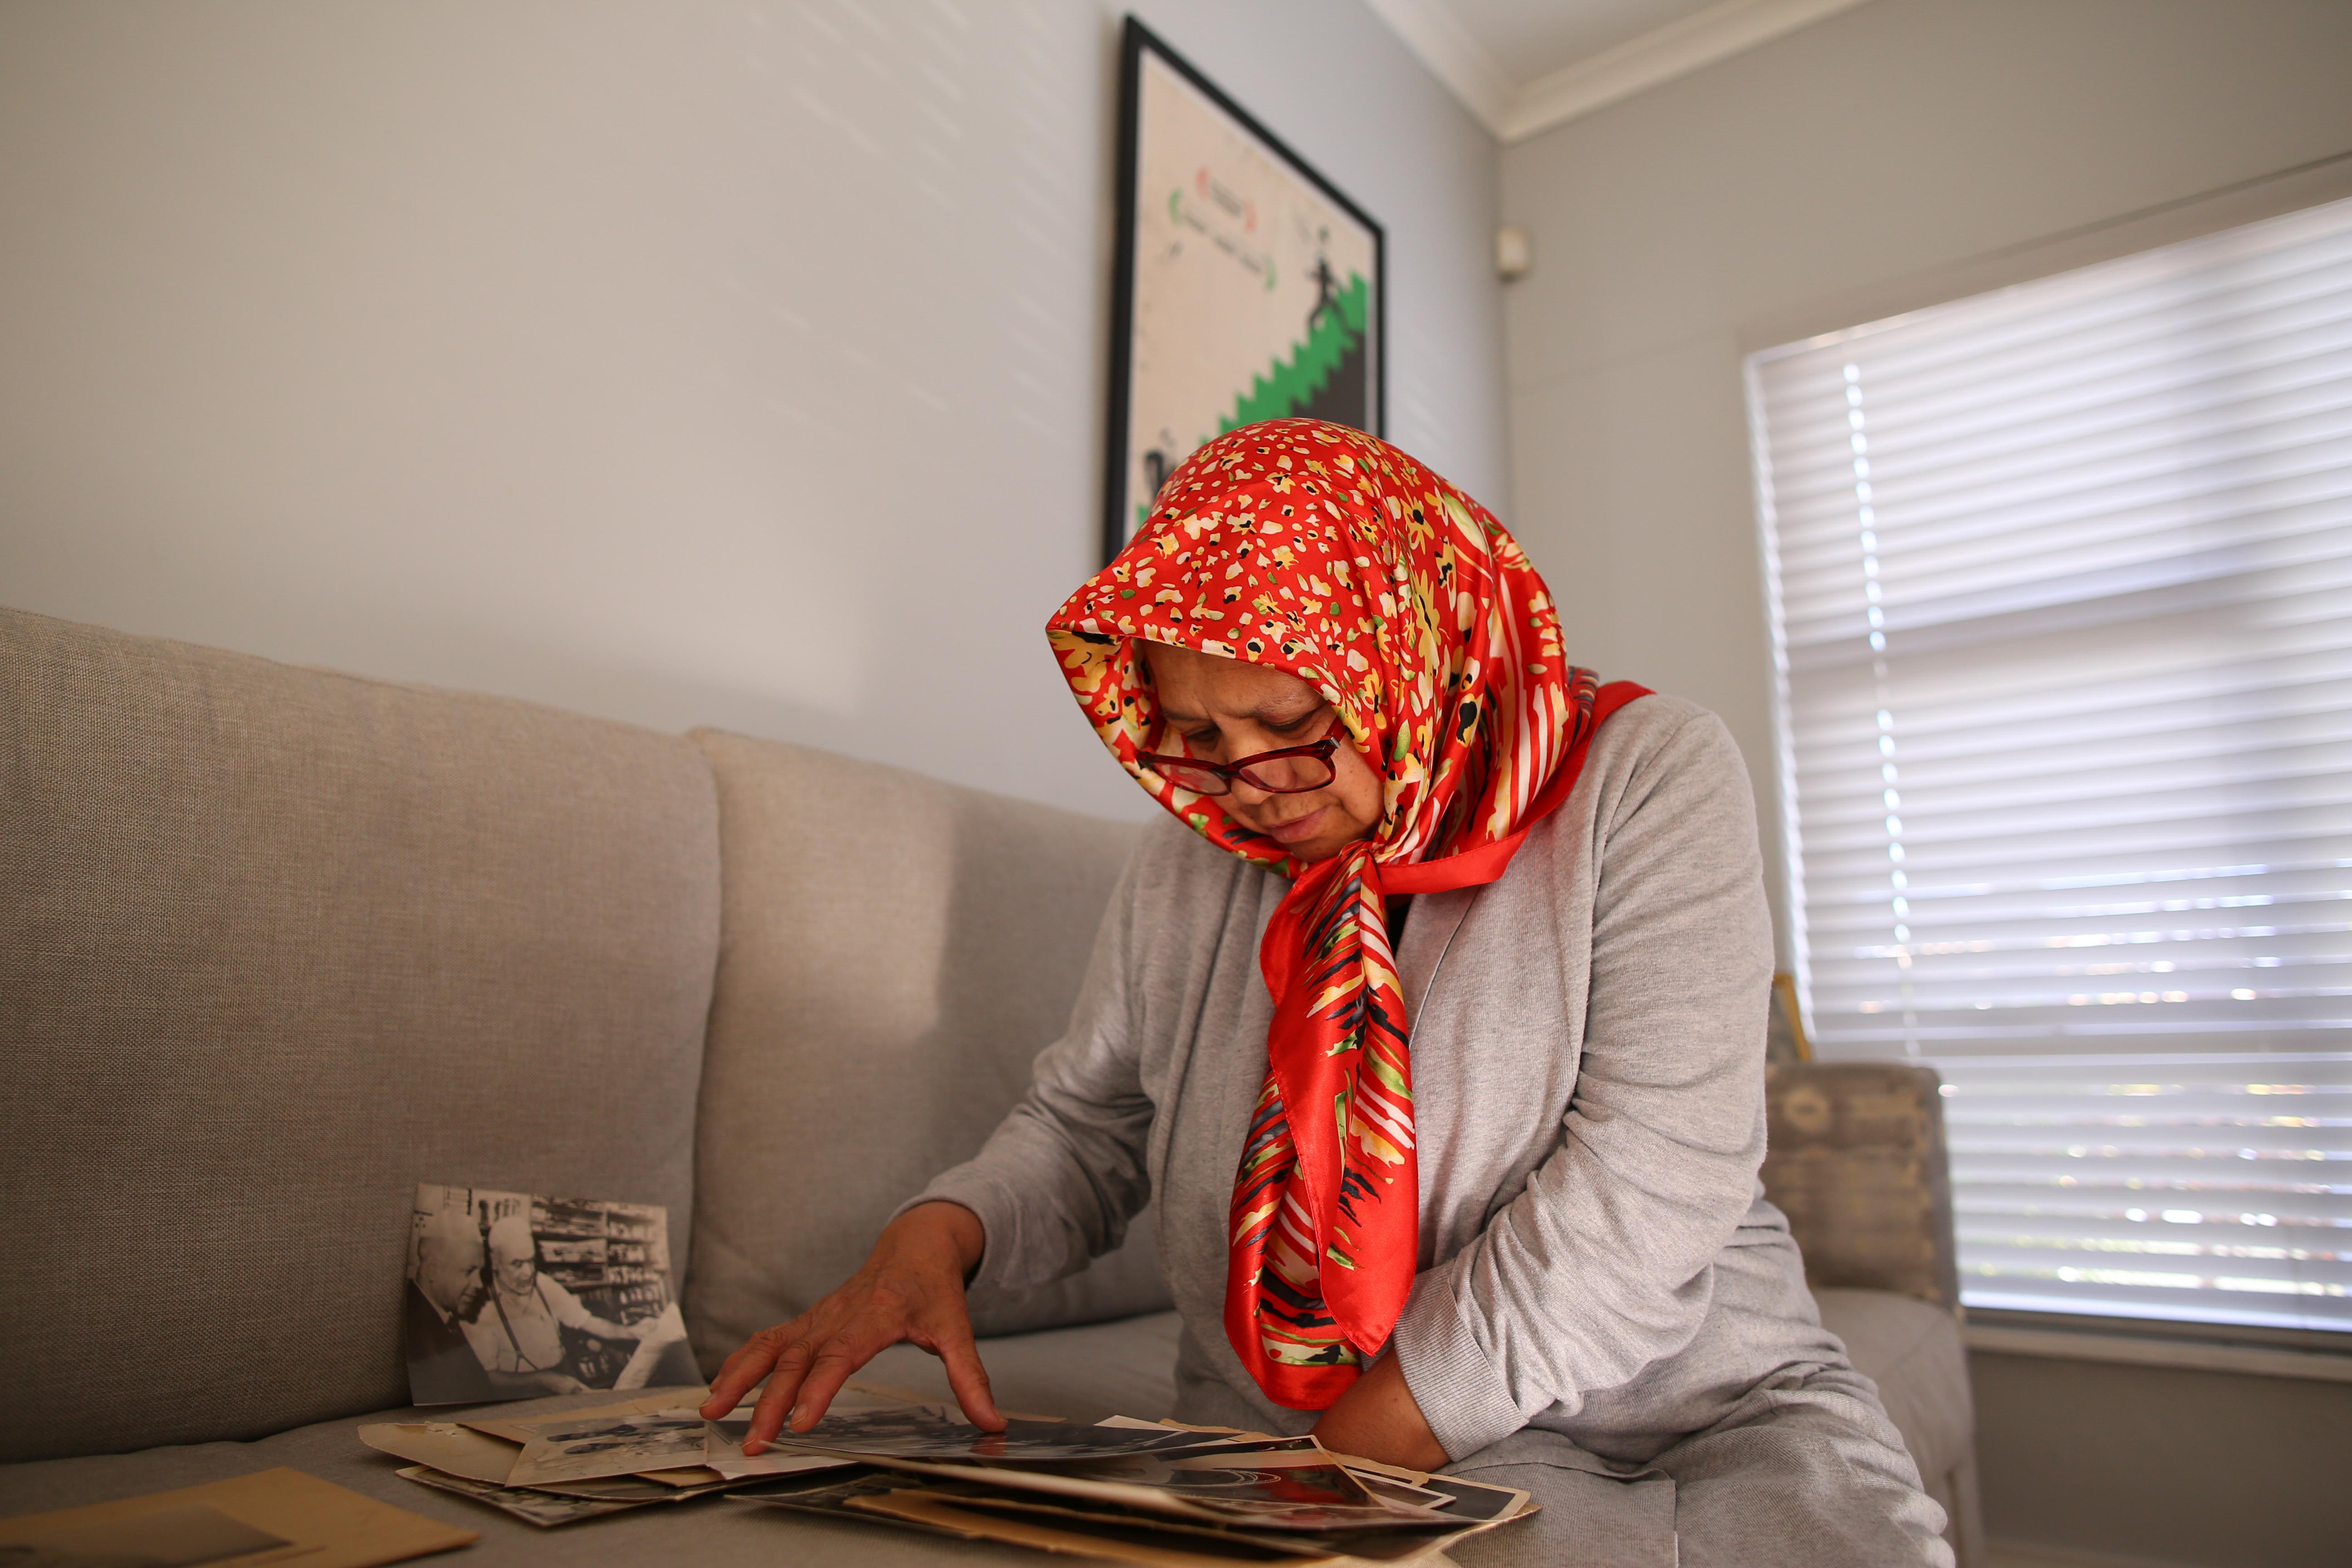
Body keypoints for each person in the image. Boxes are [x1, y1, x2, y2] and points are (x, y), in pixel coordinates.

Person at [702, 419, 1953, 1566]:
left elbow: (1658, 1182)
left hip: (1677, 1413)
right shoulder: (1193, 856)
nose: (1250, 784)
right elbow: (1089, 1126)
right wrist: (938, 1238)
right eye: (1196, 735)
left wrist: (1353, 1453)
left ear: (1401, 649)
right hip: (1289, 1437)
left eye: (1292, 718)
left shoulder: (1649, 776)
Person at [462, 1215, 656, 1396]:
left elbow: (588, 1322)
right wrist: (545, 1380)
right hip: (520, 1393)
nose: (528, 1273)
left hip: (563, 1374)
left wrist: (633, 1332)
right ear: (495, 1262)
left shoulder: (543, 1284)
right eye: (517, 1264)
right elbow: (489, 1377)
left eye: (531, 1261)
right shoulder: (480, 1305)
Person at [402, 1207, 495, 1405]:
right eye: (469, 1271)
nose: (479, 1285)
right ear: (433, 1270)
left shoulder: (445, 1315)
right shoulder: (414, 1328)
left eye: (479, 1273)